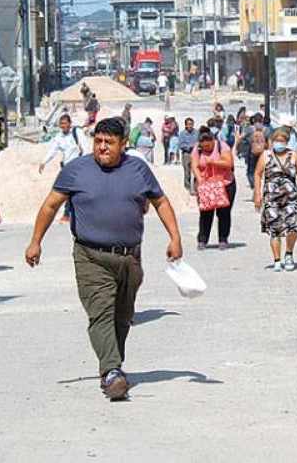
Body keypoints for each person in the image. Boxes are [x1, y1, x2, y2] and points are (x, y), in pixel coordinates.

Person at [25, 118, 183, 401]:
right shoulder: (76, 170)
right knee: (100, 312)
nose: (102, 147)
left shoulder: (138, 169)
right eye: (98, 141)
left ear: (123, 144)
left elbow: (160, 201)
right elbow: (51, 205)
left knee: (122, 317)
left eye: (109, 142)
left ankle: (112, 365)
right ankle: (111, 372)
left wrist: (175, 238)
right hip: (90, 256)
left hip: (129, 257)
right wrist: (36, 241)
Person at [254, 128, 297, 271]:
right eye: (277, 141)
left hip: (290, 198)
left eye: (282, 141)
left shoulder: (294, 156)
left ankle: (289, 253)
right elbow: (257, 174)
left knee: (294, 225)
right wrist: (257, 195)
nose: (279, 143)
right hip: (271, 198)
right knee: (274, 229)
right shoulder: (266, 156)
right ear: (272, 141)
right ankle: (276, 260)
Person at [192, 126, 236, 250]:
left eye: (208, 147)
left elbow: (229, 163)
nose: (206, 149)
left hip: (225, 183)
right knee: (205, 212)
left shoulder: (222, 146)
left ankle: (223, 238)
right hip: (206, 184)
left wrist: (212, 162)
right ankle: (202, 239)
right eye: (204, 147)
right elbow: (194, 165)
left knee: (224, 212)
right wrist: (199, 179)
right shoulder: (198, 149)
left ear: (213, 141)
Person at [40, 114, 86, 223]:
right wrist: (44, 162)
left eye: (65, 124)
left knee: (71, 191)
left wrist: (86, 163)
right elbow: (53, 150)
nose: (63, 126)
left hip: (78, 166)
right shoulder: (59, 137)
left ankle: (67, 214)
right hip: (66, 167)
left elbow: (85, 147)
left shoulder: (77, 133)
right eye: (61, 124)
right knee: (67, 191)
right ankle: (69, 214)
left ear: (70, 124)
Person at [239, 113, 271, 188]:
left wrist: (238, 148)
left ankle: (253, 185)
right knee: (261, 170)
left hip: (252, 152)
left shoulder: (250, 128)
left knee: (250, 171)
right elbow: (270, 142)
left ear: (253, 119)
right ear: (262, 119)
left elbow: (241, 137)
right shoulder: (266, 129)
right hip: (263, 152)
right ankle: (259, 183)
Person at [178, 118, 199, 194]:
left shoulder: (197, 133)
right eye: (188, 124)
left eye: (191, 124)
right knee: (187, 172)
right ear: (185, 125)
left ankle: (194, 188)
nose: (190, 126)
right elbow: (181, 145)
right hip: (186, 154)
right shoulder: (182, 134)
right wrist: (191, 146)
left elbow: (199, 142)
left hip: (196, 154)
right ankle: (187, 187)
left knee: (196, 171)